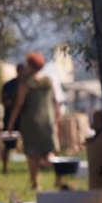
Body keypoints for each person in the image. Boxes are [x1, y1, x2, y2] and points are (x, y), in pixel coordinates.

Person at [7, 52, 60, 190]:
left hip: (31, 121)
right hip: (47, 120)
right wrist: (56, 117)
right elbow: (55, 101)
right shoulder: (48, 81)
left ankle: (36, 183)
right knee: (49, 152)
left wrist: (11, 124)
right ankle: (60, 177)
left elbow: (19, 104)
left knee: (32, 154)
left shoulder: (26, 83)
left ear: (30, 65)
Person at [0, 62, 26, 174]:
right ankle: (5, 168)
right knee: (8, 143)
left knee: (31, 143)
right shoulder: (9, 85)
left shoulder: (27, 85)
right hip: (10, 117)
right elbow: (3, 99)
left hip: (24, 118)